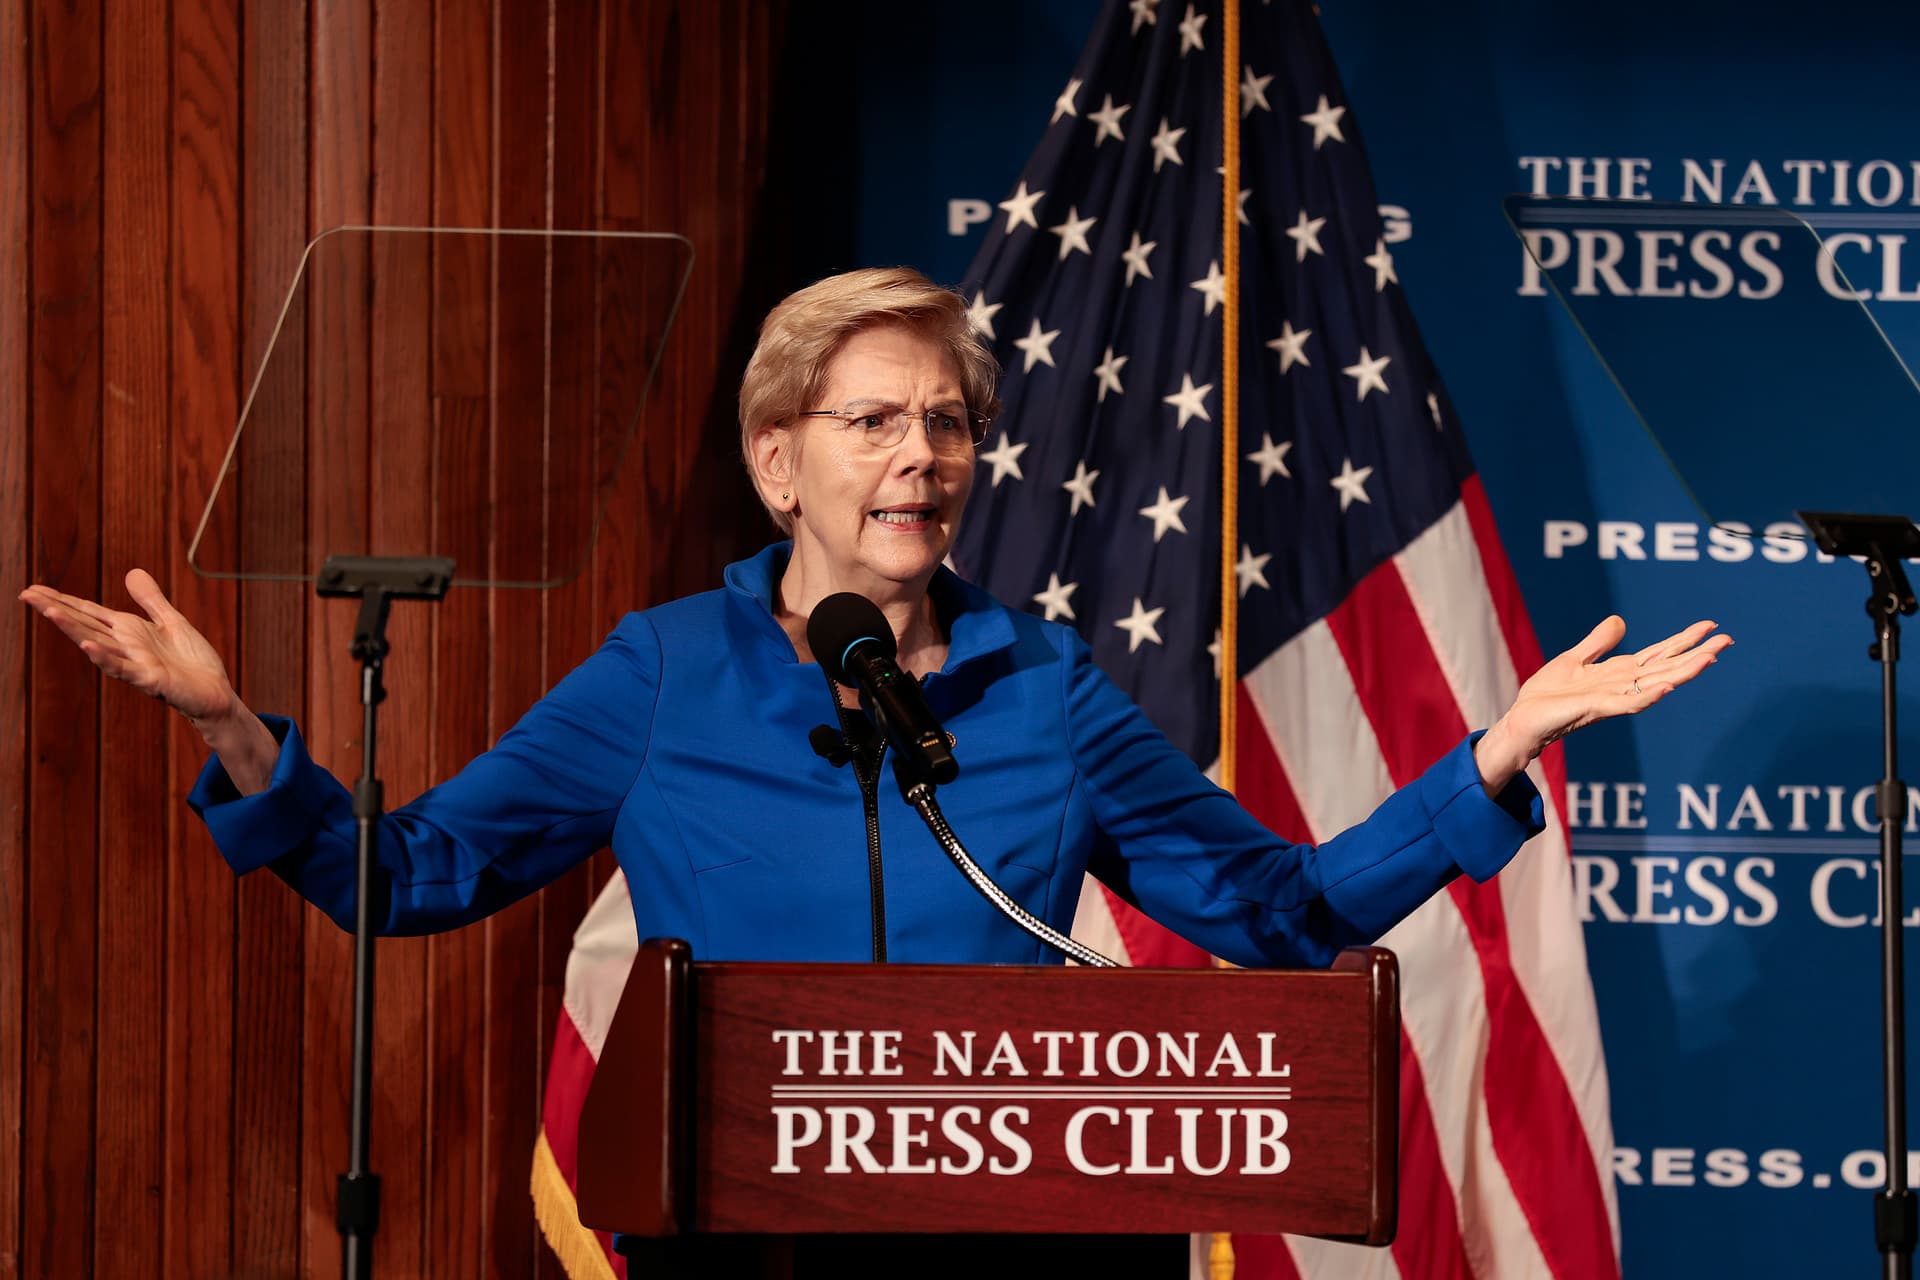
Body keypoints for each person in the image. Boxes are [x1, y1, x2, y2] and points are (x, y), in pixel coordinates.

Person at [19, 267, 1730, 968]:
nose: (921, 458)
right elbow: (409, 878)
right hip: (727, 1227)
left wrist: (1492, 758)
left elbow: (1277, 913)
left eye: (948, 424)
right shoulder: (664, 673)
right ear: (779, 465)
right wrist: (233, 730)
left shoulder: (1044, 687)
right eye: (874, 423)